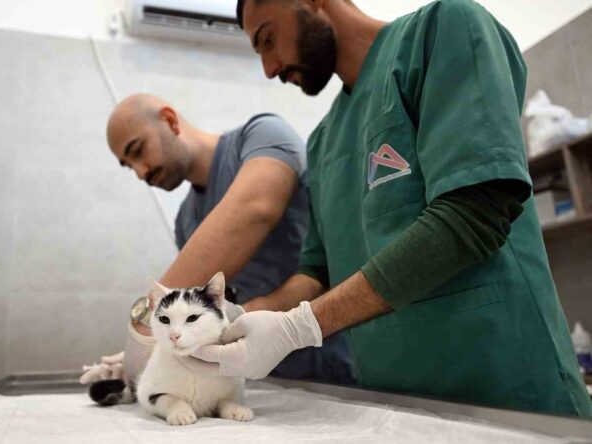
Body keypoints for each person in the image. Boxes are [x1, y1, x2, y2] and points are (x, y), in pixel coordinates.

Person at [192, 0, 592, 417]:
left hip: (509, 396)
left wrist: (301, 327)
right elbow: (315, 272)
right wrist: (242, 316)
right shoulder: (324, 142)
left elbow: (473, 214)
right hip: (395, 409)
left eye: (268, 40)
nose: (270, 69)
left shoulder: (441, 32)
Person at [80, 93, 354, 388]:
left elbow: (256, 209)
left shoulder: (262, 136)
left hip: (335, 356)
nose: (140, 172)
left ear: (170, 121)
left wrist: (144, 322)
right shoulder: (186, 220)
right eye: (128, 166)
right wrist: (160, 349)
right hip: (268, 377)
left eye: (138, 150)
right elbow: (209, 312)